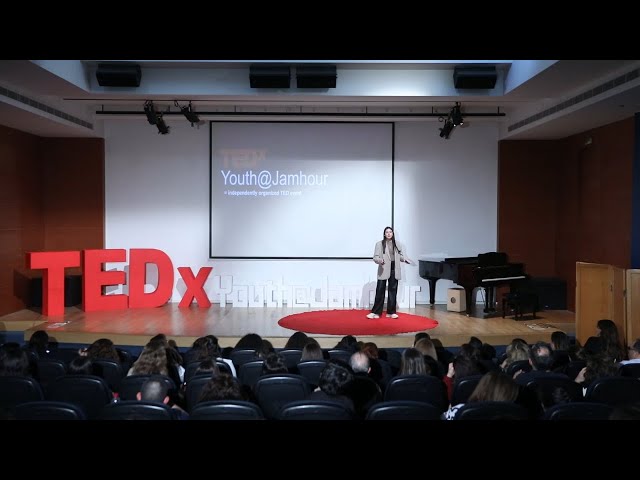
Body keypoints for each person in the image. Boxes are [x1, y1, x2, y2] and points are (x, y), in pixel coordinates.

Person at [366, 226, 410, 319]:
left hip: (395, 269)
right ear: (384, 234)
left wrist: (404, 259)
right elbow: (375, 257)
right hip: (384, 268)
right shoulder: (379, 244)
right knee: (380, 291)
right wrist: (380, 260)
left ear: (393, 234)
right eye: (387, 232)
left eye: (390, 232)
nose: (389, 234)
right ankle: (375, 312)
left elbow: (400, 256)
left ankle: (391, 312)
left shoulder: (398, 244)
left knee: (393, 291)